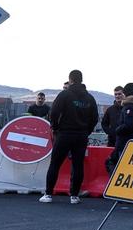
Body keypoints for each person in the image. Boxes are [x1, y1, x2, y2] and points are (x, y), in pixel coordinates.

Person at [40, 70, 99, 205]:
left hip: (64, 134)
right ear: (81, 80)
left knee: (55, 163)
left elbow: (54, 112)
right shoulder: (90, 98)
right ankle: (74, 196)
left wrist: (55, 127)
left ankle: (48, 194)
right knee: (78, 165)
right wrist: (86, 131)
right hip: (81, 135)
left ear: (70, 80)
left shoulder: (64, 95)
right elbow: (95, 118)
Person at [105, 83, 133, 173]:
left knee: (118, 166)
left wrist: (117, 130)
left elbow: (128, 125)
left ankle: (116, 185)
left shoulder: (129, 107)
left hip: (125, 143)